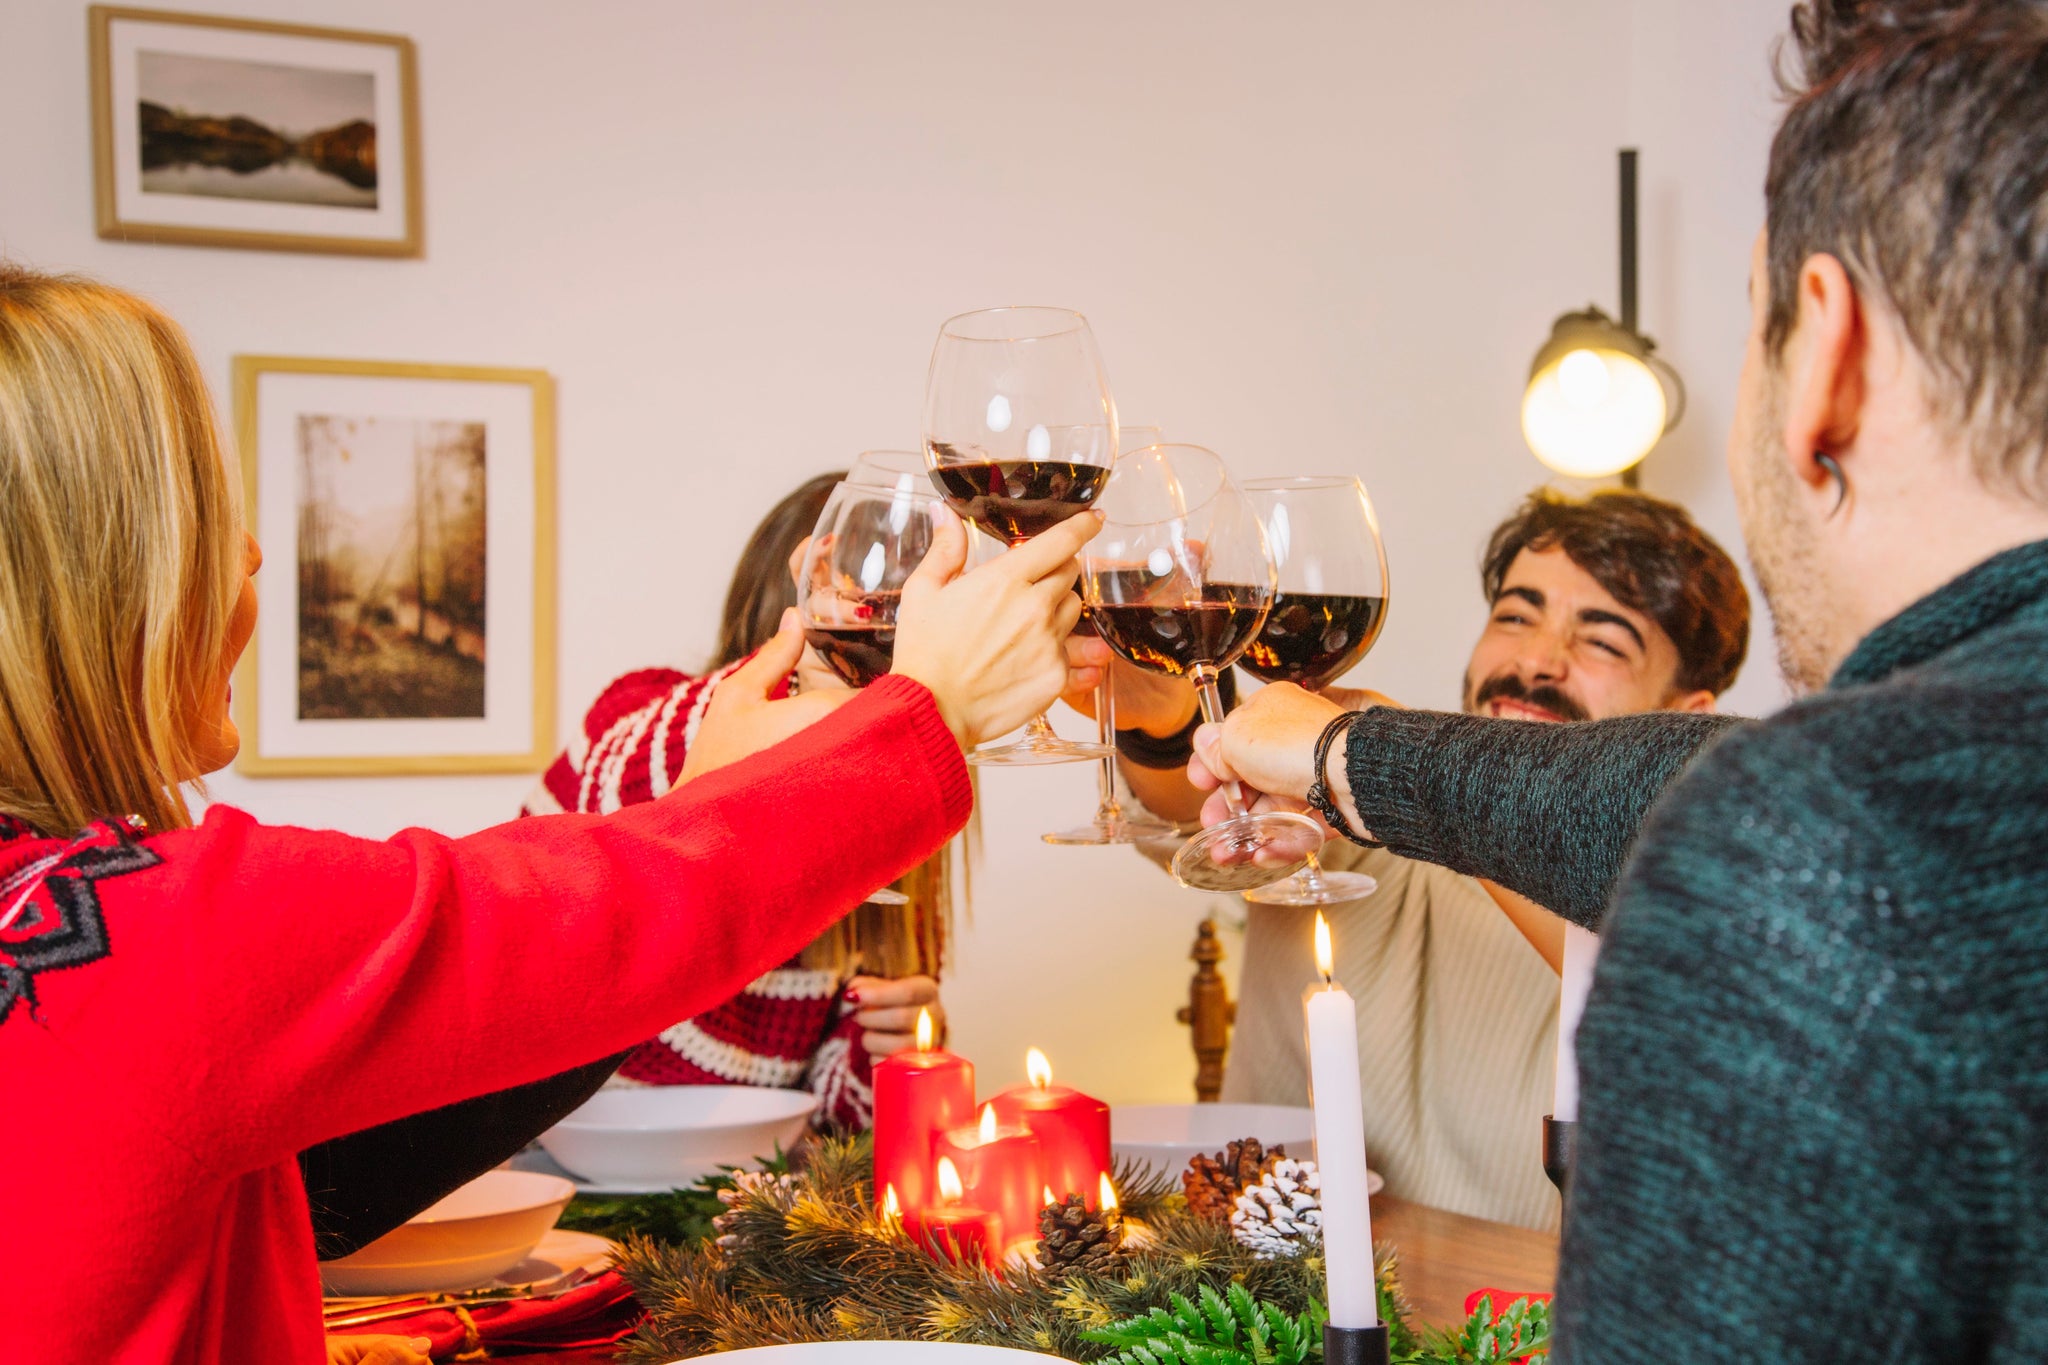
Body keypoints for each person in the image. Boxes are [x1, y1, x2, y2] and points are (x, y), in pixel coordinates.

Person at [0, 264, 1100, 1365]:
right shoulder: (141, 934)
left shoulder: (66, 945)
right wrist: (932, 706)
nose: (247, 551)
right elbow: (594, 910)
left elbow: (296, 1173)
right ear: (93, 579)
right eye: (203, 508)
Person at [1192, 1, 2048, 1357]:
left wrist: (1352, 753)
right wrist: (1331, 750)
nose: (1536, 657)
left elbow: (1692, 801)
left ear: (1825, 350)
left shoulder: (1816, 842)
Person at [1080, 489, 1749, 1230]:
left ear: (1689, 721)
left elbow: (1675, 987)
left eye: (1604, 640)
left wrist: (1389, 773)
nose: (1535, 660)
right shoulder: (1351, 829)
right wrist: (1165, 719)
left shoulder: (1717, 925)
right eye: (1516, 615)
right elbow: (1196, 814)